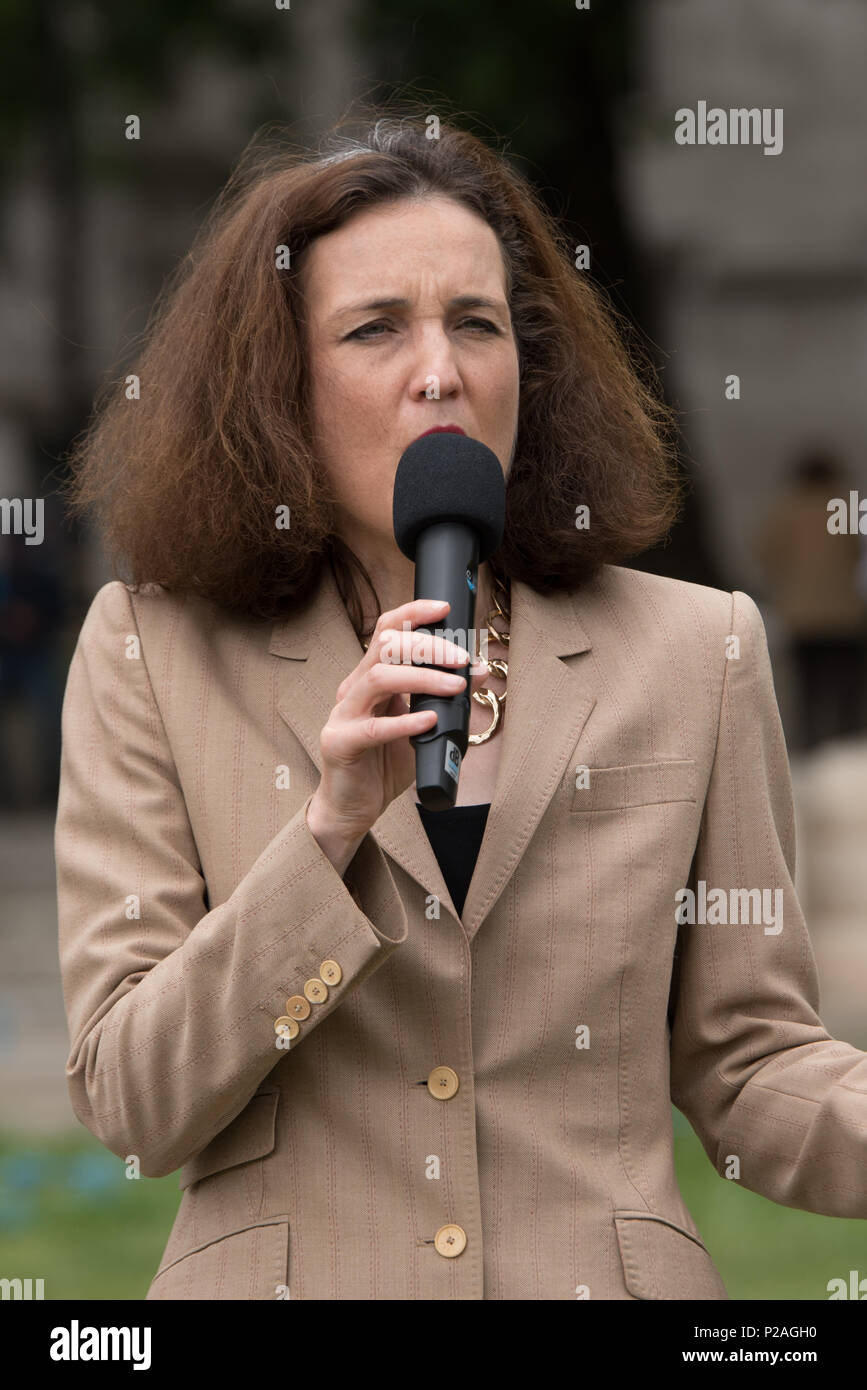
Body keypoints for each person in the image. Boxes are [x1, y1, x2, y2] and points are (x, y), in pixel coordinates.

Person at [55, 107, 867, 1302]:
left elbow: (751, 1064)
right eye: (375, 328)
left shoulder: (701, 650)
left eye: (477, 324)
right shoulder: (149, 654)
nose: (441, 368)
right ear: (280, 380)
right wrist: (327, 834)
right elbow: (133, 1101)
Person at [755, 451, 867, 750]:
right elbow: (855, 554)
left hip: (801, 616)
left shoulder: (785, 509)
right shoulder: (842, 506)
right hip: (845, 615)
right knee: (846, 688)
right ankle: (846, 747)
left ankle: (812, 747)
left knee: (809, 689)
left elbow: (766, 556)